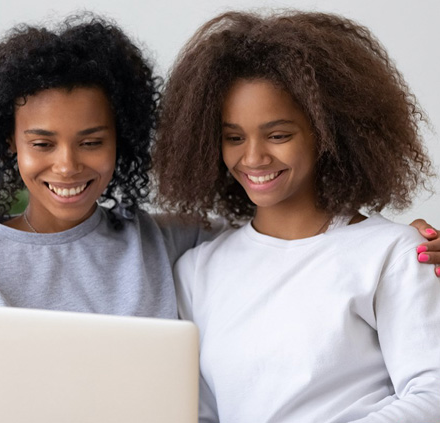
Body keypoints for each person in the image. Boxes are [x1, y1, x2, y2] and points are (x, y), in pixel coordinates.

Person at [154, 10, 440, 422]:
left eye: (278, 135)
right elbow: (199, 412)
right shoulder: (198, 272)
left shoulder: (392, 254)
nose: (253, 157)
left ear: (328, 133)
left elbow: (431, 396)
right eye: (233, 137)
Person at [0, 14, 214, 422]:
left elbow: (273, 233)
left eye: (91, 142)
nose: (67, 166)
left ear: (122, 141)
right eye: (42, 143)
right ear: (9, 143)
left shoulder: (163, 239)